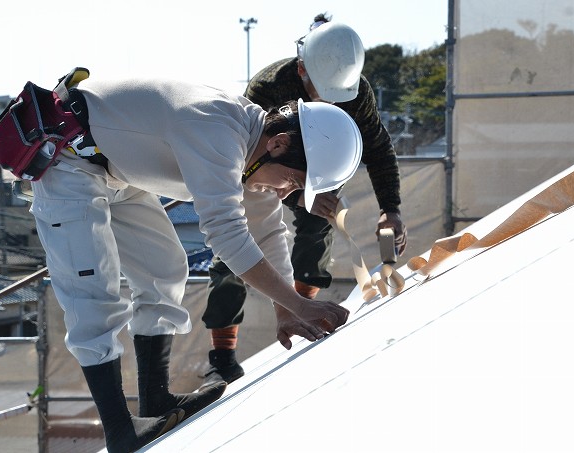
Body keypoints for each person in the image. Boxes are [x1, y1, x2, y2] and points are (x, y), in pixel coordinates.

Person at [23, 75, 358, 453]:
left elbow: (267, 231)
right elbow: (227, 236)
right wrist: (299, 304)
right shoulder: (216, 129)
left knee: (163, 269)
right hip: (68, 161)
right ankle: (119, 429)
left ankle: (155, 401)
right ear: (278, 143)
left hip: (113, 167)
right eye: (292, 181)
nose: (286, 193)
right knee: (93, 291)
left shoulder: (253, 152)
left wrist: (286, 309)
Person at [200, 14, 408, 390]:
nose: (329, 101)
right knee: (235, 245)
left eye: (336, 96)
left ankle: (303, 314)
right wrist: (296, 192)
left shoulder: (355, 91)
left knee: (319, 224)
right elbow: (251, 158)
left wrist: (390, 208)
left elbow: (377, 147)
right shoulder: (268, 87)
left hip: (315, 176)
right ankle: (222, 357)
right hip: (261, 172)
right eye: (320, 93)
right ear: (301, 70)